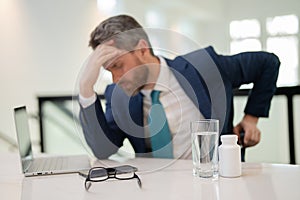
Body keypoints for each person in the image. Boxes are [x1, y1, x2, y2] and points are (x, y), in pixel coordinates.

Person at [78, 14, 280, 160]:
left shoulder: (203, 67)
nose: (116, 79)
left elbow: (267, 63)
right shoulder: (118, 96)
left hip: (215, 185)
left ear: (141, 49)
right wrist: (86, 88)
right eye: (109, 71)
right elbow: (103, 150)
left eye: (118, 66)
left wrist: (251, 118)